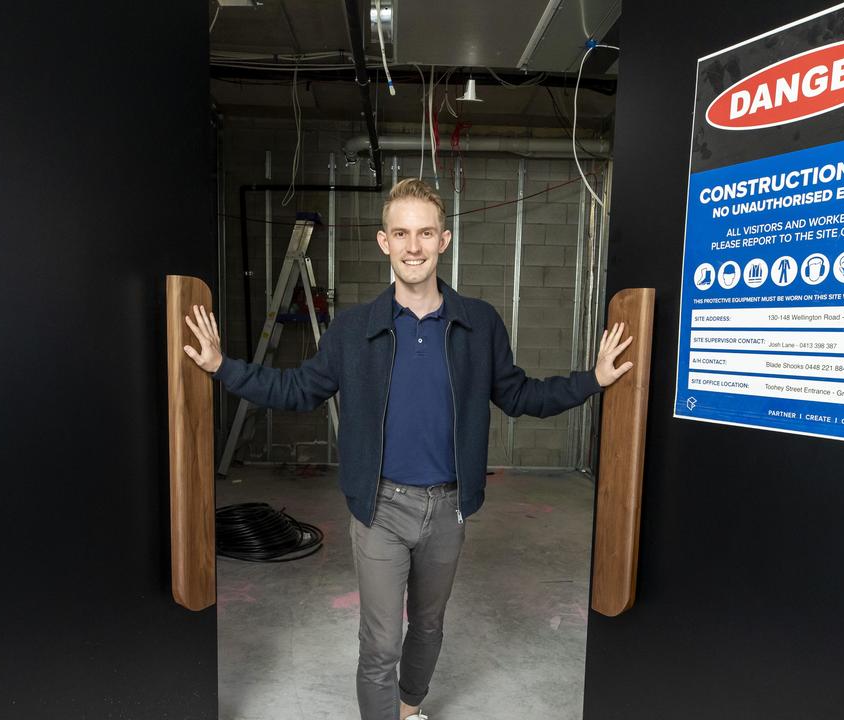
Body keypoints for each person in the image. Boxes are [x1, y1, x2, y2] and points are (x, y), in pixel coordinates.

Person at [183, 178, 633, 720]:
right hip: (380, 509)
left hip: (448, 507)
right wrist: (220, 367)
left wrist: (593, 380)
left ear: (444, 240)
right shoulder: (353, 329)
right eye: (401, 233)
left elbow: (519, 395)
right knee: (379, 644)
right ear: (384, 242)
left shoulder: (479, 323)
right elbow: (296, 389)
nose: (413, 245)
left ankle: (409, 707)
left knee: (428, 625)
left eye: (425, 233)